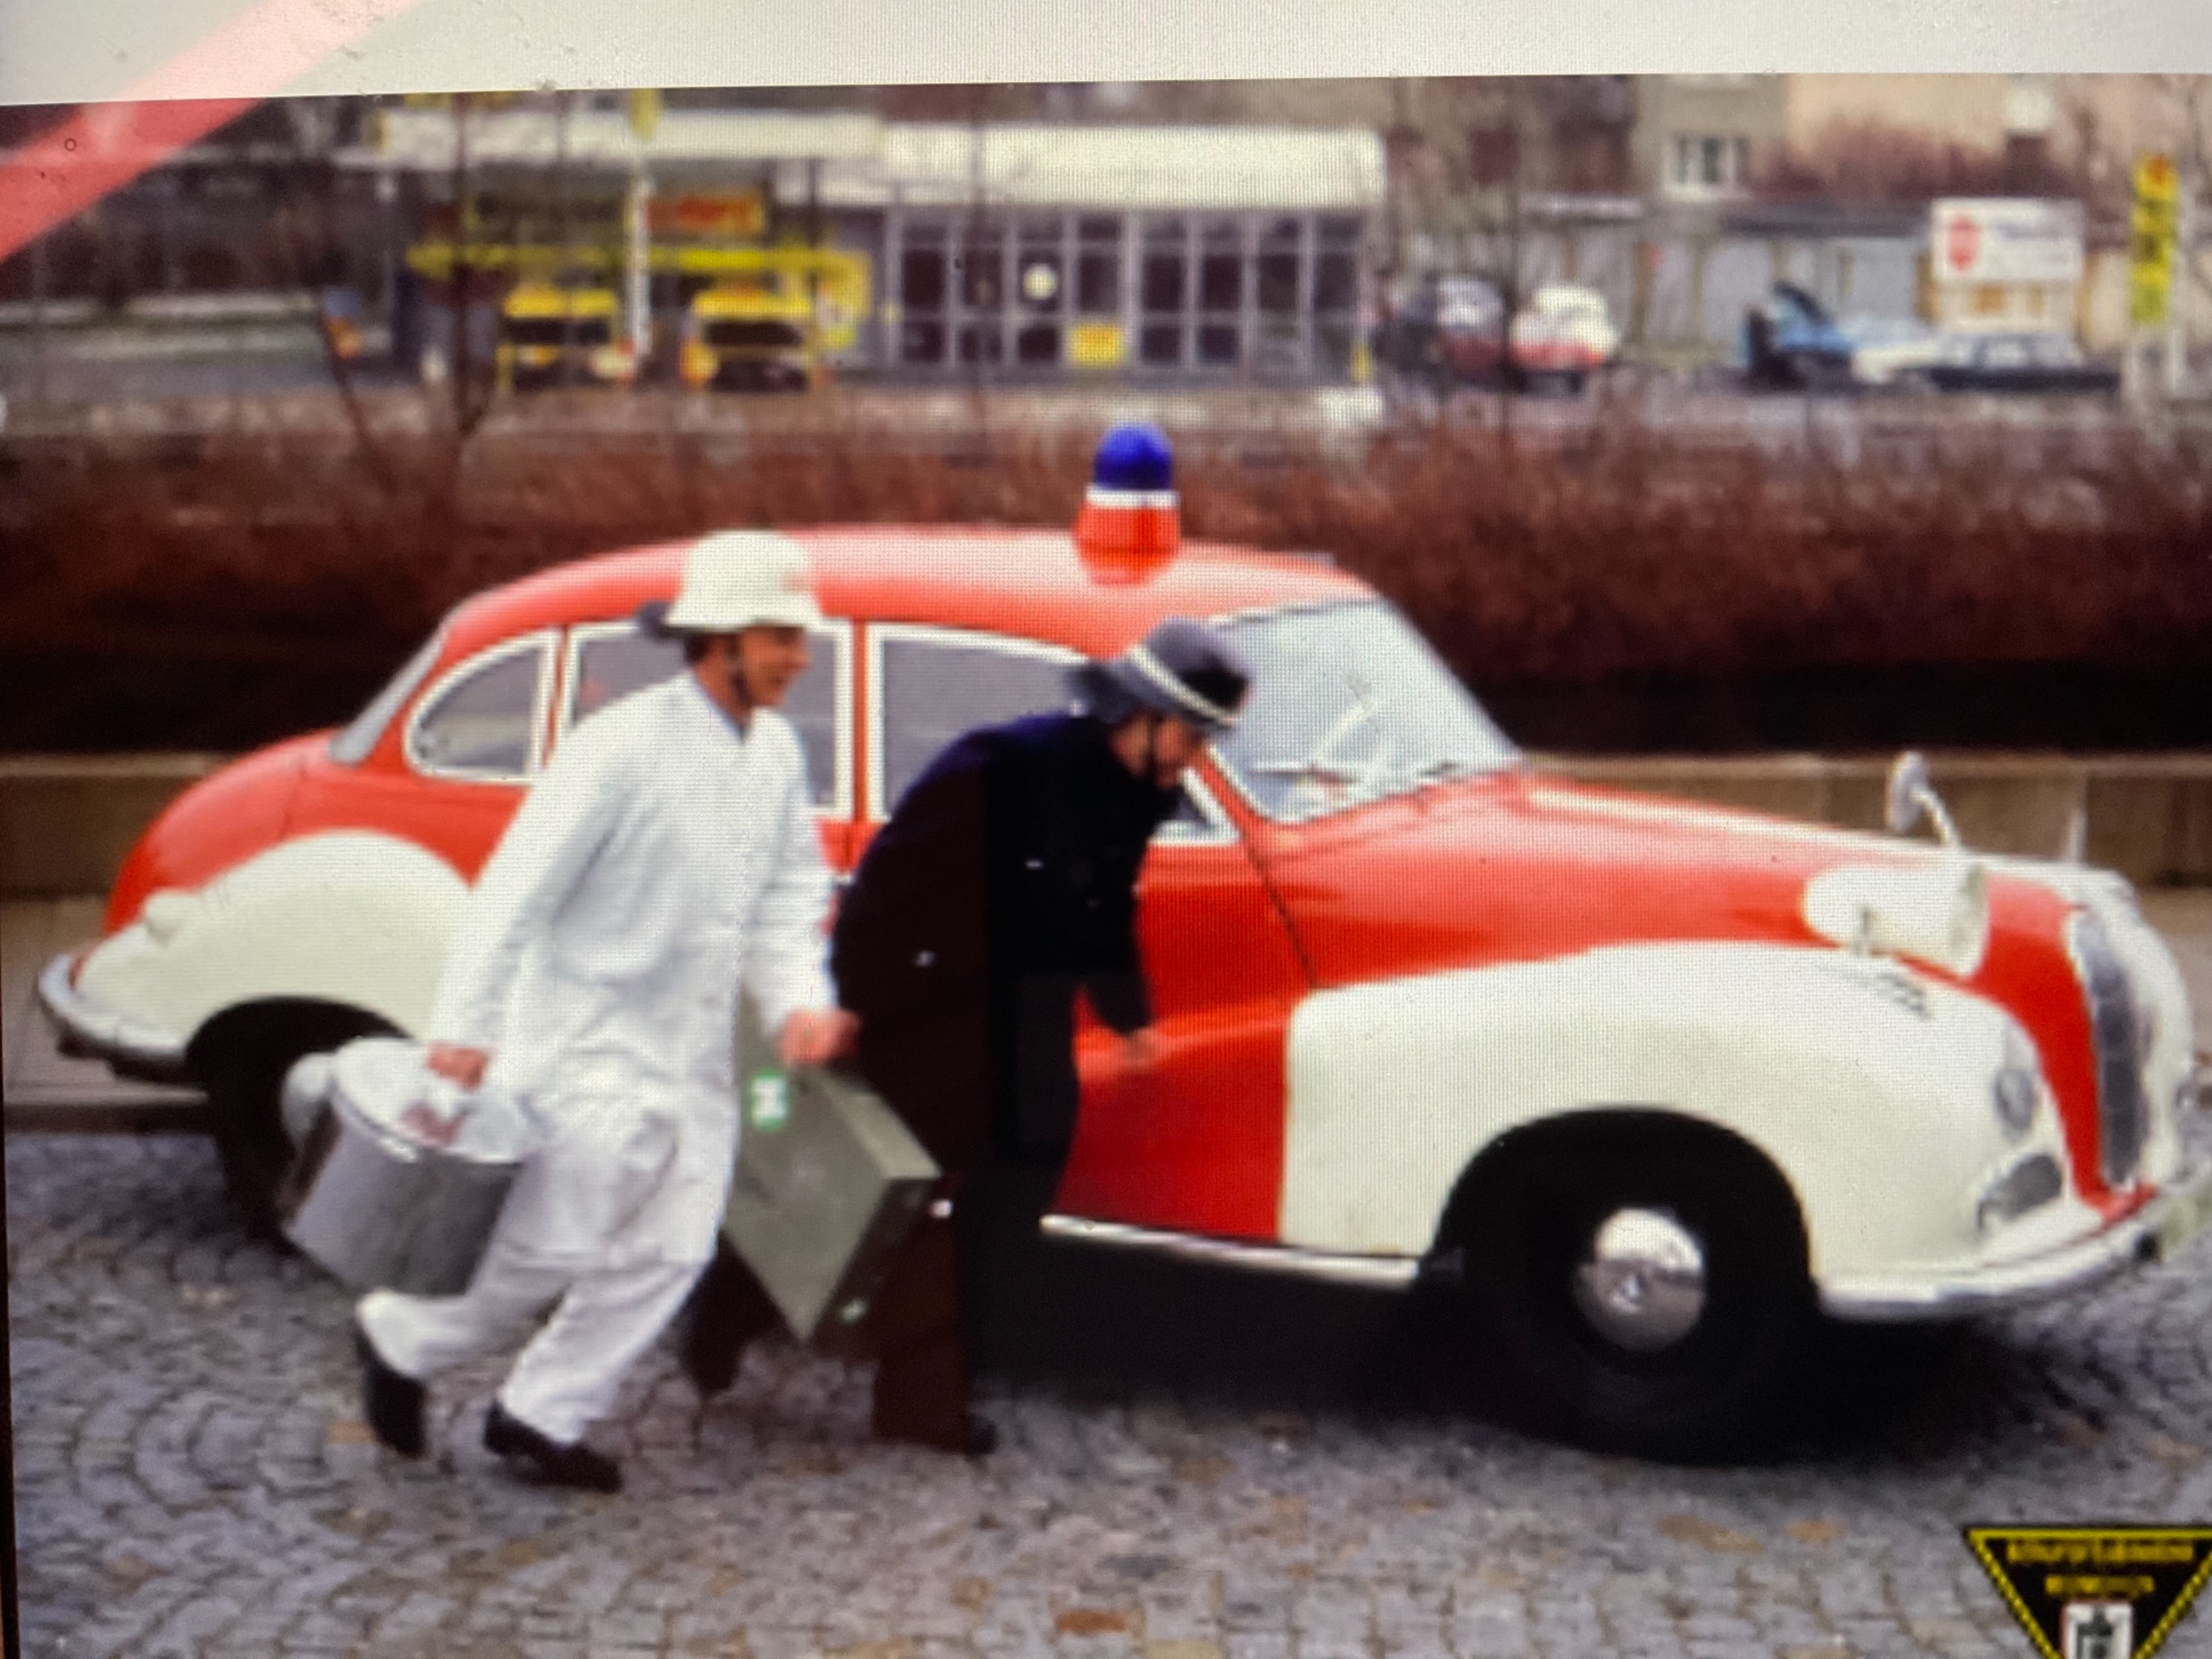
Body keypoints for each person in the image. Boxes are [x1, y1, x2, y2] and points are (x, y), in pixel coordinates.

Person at [351, 529, 857, 1493]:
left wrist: (801, 999)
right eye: (781, 637)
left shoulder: (776, 755)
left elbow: (789, 894)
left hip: (695, 1051)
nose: (799, 657)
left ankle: (542, 1412)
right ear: (720, 638)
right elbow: (513, 893)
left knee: (672, 1251)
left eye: (800, 637)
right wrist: (464, 1029)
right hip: (588, 1045)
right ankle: (399, 1336)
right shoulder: (617, 749)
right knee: (549, 1245)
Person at [678, 613, 1253, 1455]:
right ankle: (728, 1307)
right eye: (1192, 739)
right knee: (864, 1186)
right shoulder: (1001, 767)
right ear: (1143, 713)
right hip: (926, 1002)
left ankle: (926, 1397)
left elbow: (1105, 903)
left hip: (1026, 1013)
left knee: (1014, 1187)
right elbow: (888, 883)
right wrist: (849, 1000)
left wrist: (1127, 1013)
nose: (1194, 761)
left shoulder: (1142, 791)